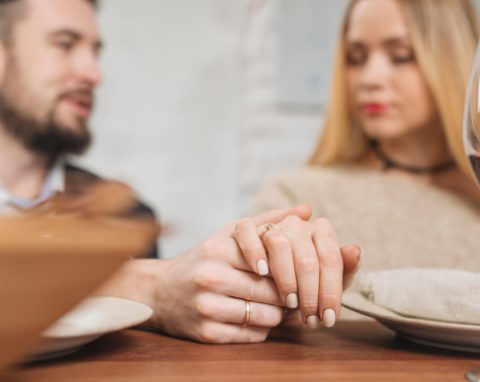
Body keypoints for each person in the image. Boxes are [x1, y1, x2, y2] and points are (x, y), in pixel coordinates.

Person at [0, 0, 360, 343]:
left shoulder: (128, 215)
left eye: (95, 52)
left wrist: (259, 284)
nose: (93, 73)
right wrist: (143, 286)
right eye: (64, 45)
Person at [253, 0, 480, 274]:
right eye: (355, 58)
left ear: (454, 60)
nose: (369, 78)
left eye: (401, 55)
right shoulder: (299, 201)